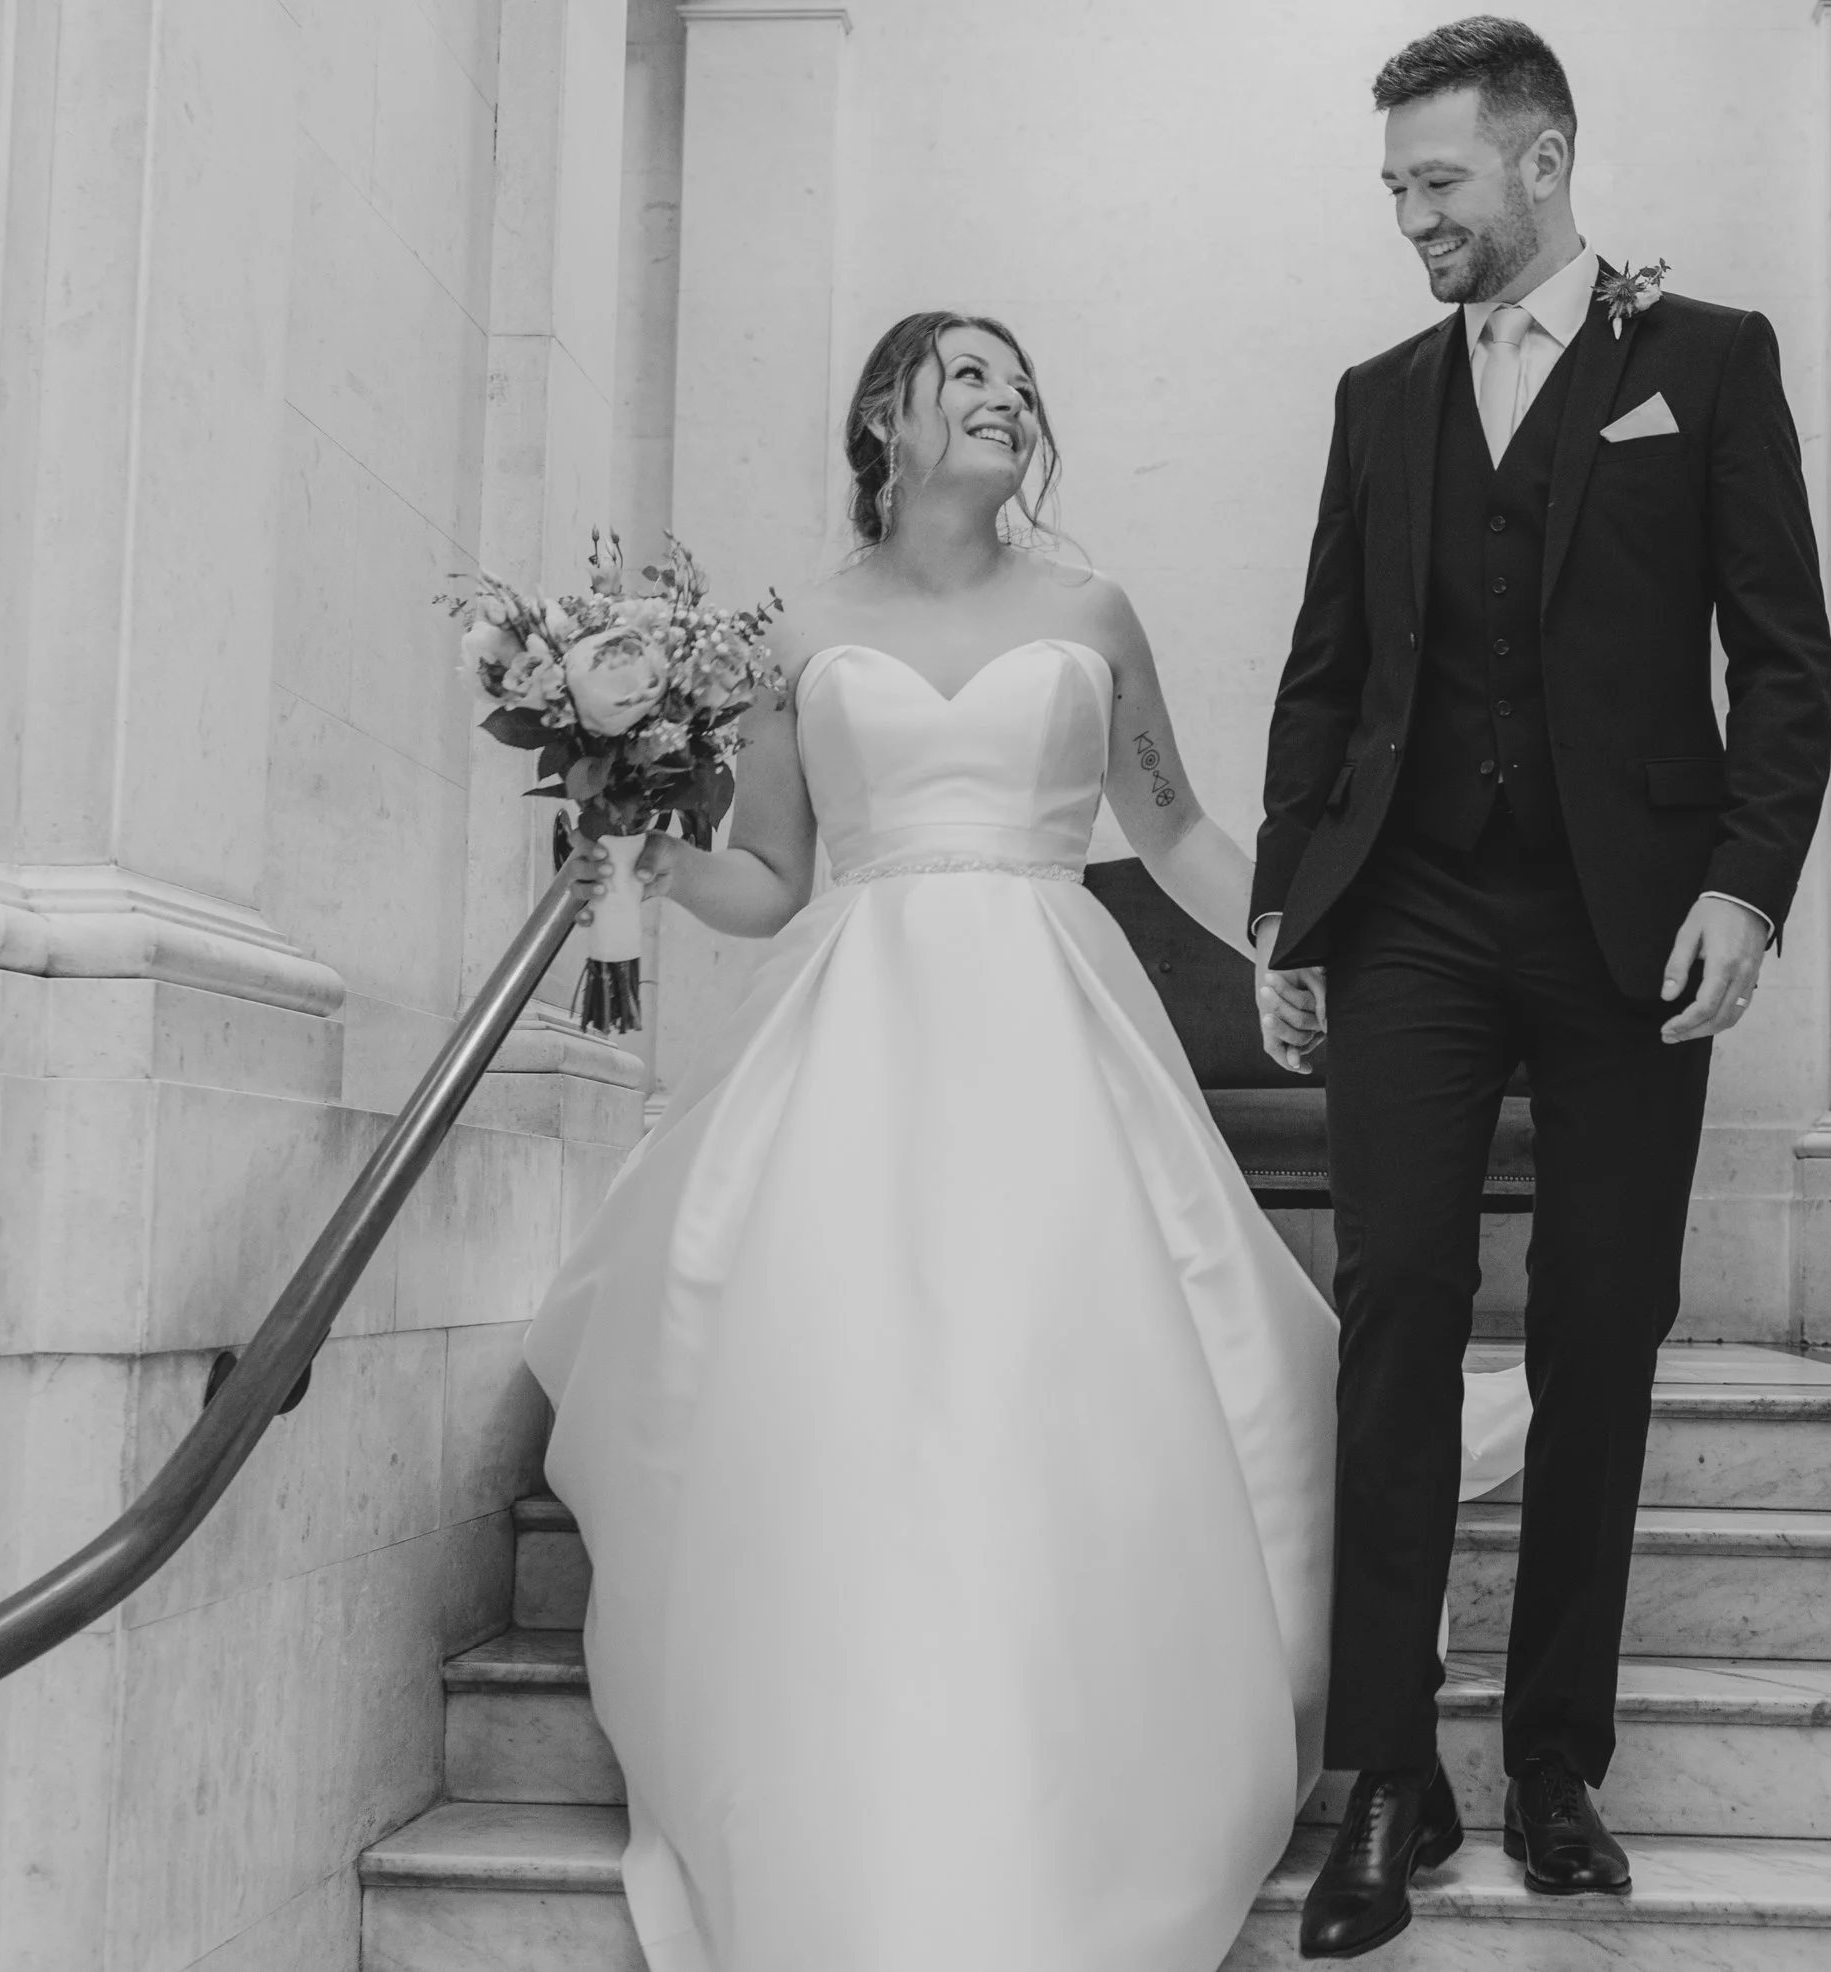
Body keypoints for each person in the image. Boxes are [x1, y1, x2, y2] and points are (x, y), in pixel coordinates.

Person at [525, 311, 1530, 1971]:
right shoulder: (796, 634)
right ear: (884, 419)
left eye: (1019, 382)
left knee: (1058, 1359)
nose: (1004, 400)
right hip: (857, 1023)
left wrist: (1293, 945)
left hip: (1060, 1010)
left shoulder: (1093, 614)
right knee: (855, 1381)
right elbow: (773, 882)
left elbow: (1180, 826)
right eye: (966, 375)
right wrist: (630, 835)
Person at [1250, 18, 1831, 1958]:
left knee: (1601, 1316)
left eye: (1436, 180)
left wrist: (1744, 887)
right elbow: (1321, 673)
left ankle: (1552, 1755)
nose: (1409, 215)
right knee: (1398, 1297)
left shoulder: (1705, 363)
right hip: (1409, 906)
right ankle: (1385, 1778)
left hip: (1625, 916)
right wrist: (1285, 911)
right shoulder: (1373, 396)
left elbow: (1781, 652)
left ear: (1542, 159)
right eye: (1393, 187)